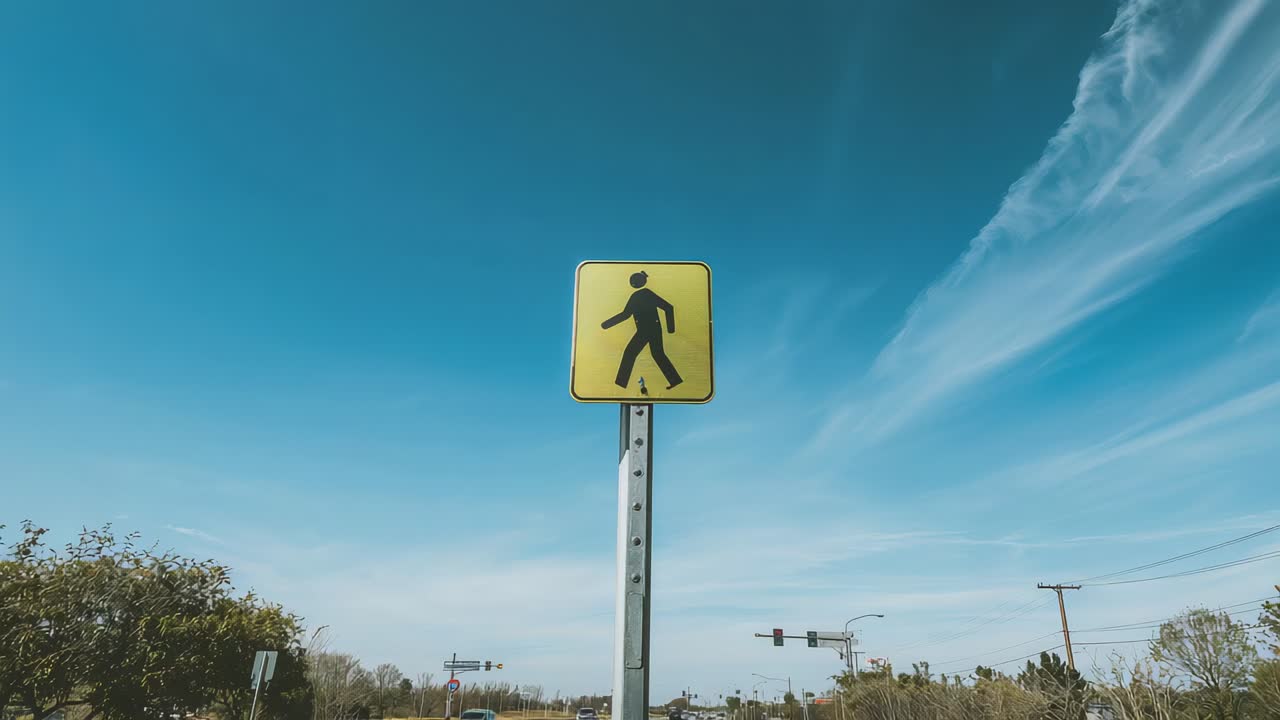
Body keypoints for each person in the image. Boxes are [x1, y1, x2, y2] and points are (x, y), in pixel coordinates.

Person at [600, 271, 684, 389]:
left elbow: (668, 307)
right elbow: (626, 314)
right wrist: (606, 324)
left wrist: (671, 329)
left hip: (648, 330)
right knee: (657, 354)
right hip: (649, 329)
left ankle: (621, 383)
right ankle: (675, 380)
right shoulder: (638, 295)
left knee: (631, 353)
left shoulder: (645, 294)